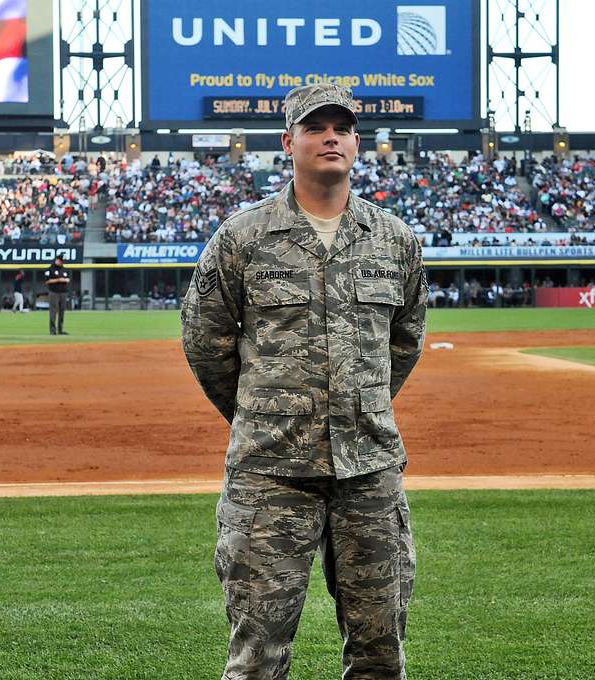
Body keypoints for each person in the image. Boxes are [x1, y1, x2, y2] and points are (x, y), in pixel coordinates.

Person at [181, 82, 427, 680]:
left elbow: (406, 338)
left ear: (357, 143)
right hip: (271, 474)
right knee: (257, 656)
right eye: (316, 128)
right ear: (287, 141)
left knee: (380, 654)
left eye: (342, 128)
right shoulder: (243, 237)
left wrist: (355, 406)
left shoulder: (393, 239)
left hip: (367, 472)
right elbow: (205, 342)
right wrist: (266, 413)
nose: (330, 137)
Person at [43, 256, 70, 334]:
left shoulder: (64, 269)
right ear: (57, 260)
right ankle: (52, 330)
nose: (61, 262)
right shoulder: (50, 269)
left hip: (63, 292)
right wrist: (58, 280)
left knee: (62, 311)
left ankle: (60, 330)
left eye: (62, 261)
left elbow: (68, 278)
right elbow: (47, 281)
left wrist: (65, 280)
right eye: (60, 261)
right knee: (53, 311)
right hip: (54, 292)